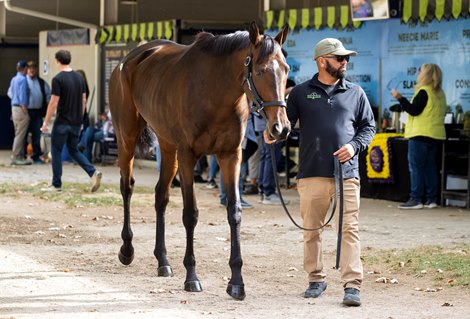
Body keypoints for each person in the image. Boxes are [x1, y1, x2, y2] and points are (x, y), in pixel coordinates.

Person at [279, 38, 375, 306]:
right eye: (339, 58)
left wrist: (354, 147)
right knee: (312, 230)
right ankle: (316, 279)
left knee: (349, 229)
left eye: (346, 58)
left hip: (347, 173)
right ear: (322, 61)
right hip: (311, 173)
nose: (345, 62)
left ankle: (352, 284)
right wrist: (273, 134)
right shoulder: (299, 93)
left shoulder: (356, 92)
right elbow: (285, 126)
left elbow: (369, 127)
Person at [40, 50, 102, 192]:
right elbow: (83, 100)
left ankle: (56, 184)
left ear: (57, 61)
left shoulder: (58, 79)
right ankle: (92, 172)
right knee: (74, 150)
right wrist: (80, 120)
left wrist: (45, 122)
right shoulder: (79, 78)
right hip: (76, 122)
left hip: (62, 121)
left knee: (56, 150)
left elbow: (53, 102)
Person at [391, 63, 446, 209]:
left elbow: (413, 110)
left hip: (420, 134)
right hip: (435, 135)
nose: (417, 74)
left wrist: (399, 98)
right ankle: (432, 200)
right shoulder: (440, 93)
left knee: (416, 168)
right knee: (430, 168)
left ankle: (416, 199)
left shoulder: (423, 91)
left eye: (420, 71)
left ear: (424, 75)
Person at [24, 60, 51, 164]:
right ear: (27, 69)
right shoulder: (23, 80)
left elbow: (49, 96)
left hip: (38, 112)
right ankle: (22, 156)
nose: (32, 70)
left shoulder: (41, 82)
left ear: (36, 69)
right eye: (30, 68)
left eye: (33, 68)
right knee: (24, 135)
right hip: (25, 111)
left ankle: (36, 156)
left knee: (37, 134)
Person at [8, 60, 31, 165]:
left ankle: (20, 155)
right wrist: (25, 109)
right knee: (20, 134)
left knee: (17, 131)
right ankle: (16, 156)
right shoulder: (23, 79)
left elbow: (11, 94)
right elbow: (22, 96)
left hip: (14, 107)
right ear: (25, 68)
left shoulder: (13, 79)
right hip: (21, 108)